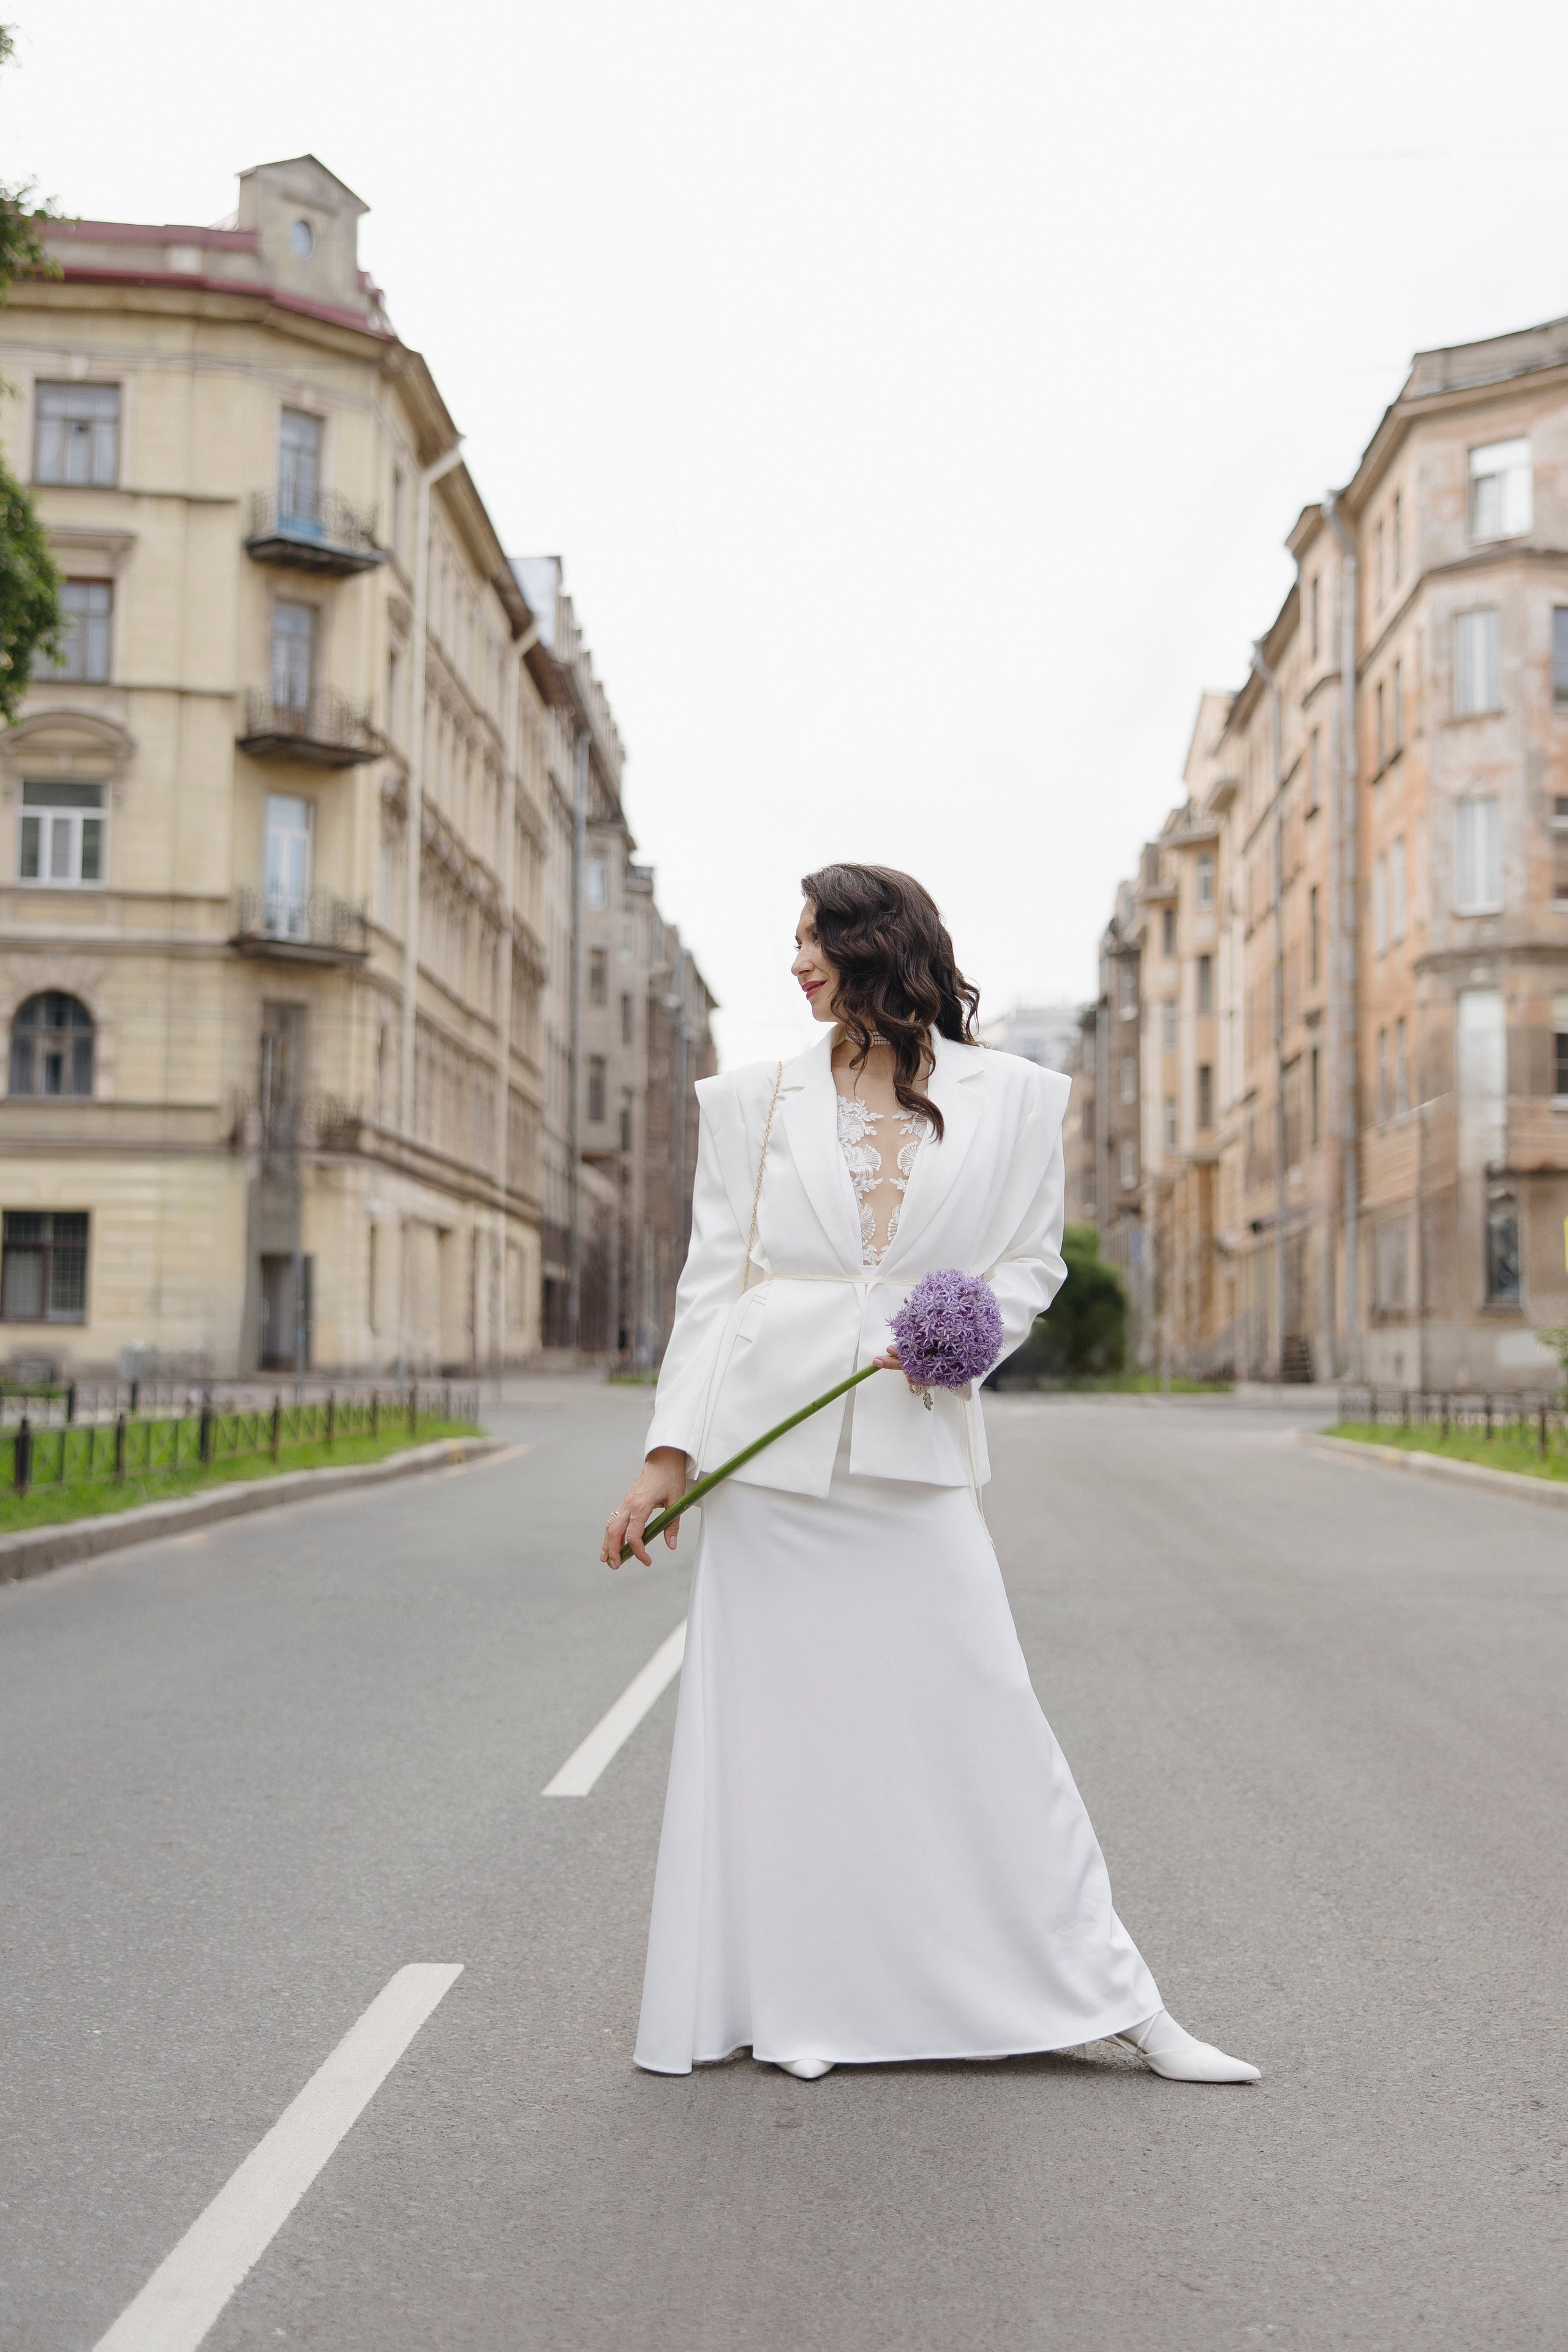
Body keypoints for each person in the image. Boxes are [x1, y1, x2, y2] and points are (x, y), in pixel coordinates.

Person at [603, 864, 1259, 2087]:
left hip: (912, 1442)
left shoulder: (1011, 1098)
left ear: (876, 945)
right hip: (768, 1461)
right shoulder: (748, 1103)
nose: (795, 961)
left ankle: (1110, 1998)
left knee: (982, 1711)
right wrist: (663, 1460)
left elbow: (1025, 1265)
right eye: (791, 940)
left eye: (813, 939)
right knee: (780, 1745)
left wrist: (963, 1339)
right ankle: (791, 1995)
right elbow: (712, 1290)